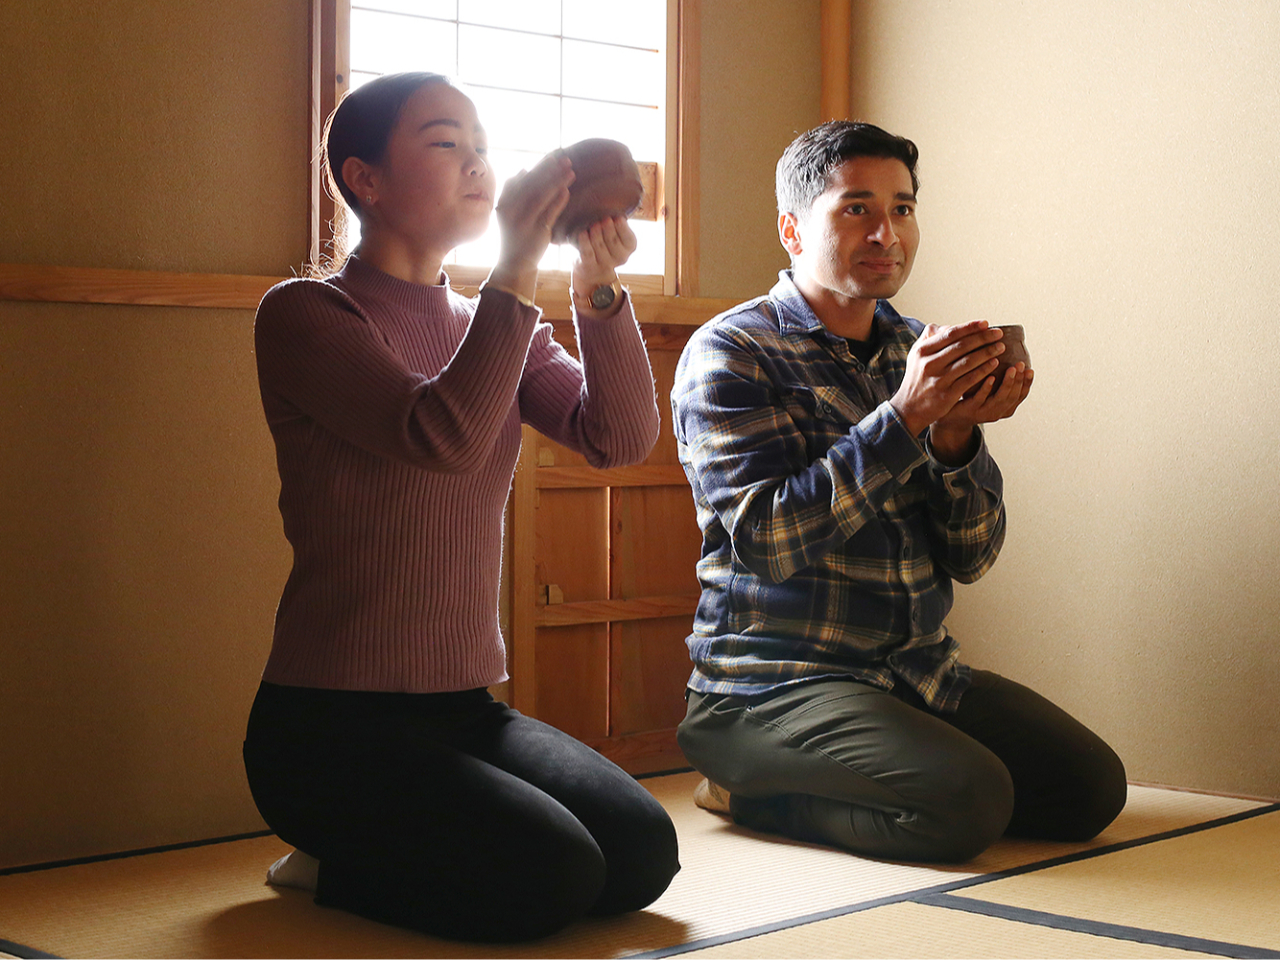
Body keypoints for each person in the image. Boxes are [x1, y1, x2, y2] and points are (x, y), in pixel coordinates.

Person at [242, 71, 679, 943]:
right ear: (364, 178)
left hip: (465, 708)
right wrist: (515, 270)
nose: (479, 164)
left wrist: (596, 288)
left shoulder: (495, 322)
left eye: (483, 146)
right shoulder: (308, 313)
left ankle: (389, 850)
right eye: (447, 143)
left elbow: (618, 436)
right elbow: (438, 432)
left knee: (639, 856)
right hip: (328, 728)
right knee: (548, 878)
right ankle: (332, 861)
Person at [670, 120, 1126, 864]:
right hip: (771, 683)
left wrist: (954, 438)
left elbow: (972, 557)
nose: (886, 233)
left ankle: (867, 770)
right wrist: (908, 416)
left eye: (903, 209)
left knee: (1089, 790)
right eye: (857, 208)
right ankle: (745, 785)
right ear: (792, 228)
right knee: (966, 805)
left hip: (914, 667)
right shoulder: (731, 352)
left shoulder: (915, 351)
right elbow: (768, 544)